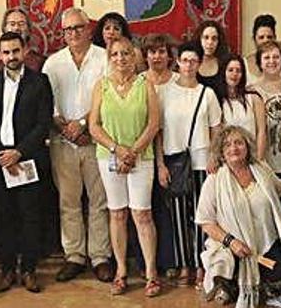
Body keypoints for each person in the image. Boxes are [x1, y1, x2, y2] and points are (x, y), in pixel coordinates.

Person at [0, 31, 54, 293]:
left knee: (30, 216)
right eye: (6, 52)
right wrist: (1, 154)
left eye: (15, 51)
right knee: (3, 216)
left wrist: (18, 153)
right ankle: (7, 269)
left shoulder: (39, 82)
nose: (11, 56)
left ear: (24, 51)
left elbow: (43, 124)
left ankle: (29, 270)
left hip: (27, 159)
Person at [196, 126, 281, 308]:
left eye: (239, 143)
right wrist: (231, 242)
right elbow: (205, 222)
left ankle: (261, 287)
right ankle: (234, 286)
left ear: (247, 146)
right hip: (233, 247)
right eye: (228, 145)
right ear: (222, 153)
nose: (234, 148)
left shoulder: (261, 169)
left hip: (266, 243)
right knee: (227, 268)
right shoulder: (214, 180)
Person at [42, 8, 113, 283]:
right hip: (62, 141)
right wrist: (66, 127)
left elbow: (109, 97)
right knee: (68, 202)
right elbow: (47, 103)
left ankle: (100, 257)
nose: (73, 33)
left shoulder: (104, 58)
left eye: (78, 28)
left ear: (89, 29)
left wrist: (84, 125)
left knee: (99, 201)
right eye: (68, 30)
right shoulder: (53, 63)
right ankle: (74, 255)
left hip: (97, 140)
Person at [89, 37, 161, 296]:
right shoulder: (101, 86)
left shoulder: (146, 84)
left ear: (135, 56)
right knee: (117, 213)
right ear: (110, 58)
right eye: (116, 54)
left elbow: (154, 124)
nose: (121, 59)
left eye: (126, 54)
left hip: (141, 157)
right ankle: (121, 271)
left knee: (142, 215)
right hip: (108, 157)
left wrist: (132, 152)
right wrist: (117, 149)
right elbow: (94, 125)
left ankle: (151, 273)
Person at [155, 41, 221, 286]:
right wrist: (160, 164)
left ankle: (201, 263)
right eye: (185, 60)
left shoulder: (208, 94)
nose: (189, 65)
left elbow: (216, 129)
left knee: (202, 215)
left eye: (194, 61)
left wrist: (214, 156)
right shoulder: (165, 92)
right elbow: (158, 131)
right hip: (174, 162)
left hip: (203, 162)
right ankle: (184, 264)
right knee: (179, 216)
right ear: (177, 62)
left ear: (199, 64)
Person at [141, 33, 179, 272]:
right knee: (147, 210)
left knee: (170, 213)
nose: (157, 56)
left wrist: (163, 163)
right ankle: (148, 263)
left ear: (169, 56)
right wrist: (157, 162)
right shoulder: (139, 81)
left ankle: (171, 261)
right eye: (152, 52)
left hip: (174, 154)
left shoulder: (178, 81)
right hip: (144, 155)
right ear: (145, 56)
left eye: (162, 51)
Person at [250, 40, 281, 181]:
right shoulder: (252, 90)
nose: (272, 61)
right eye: (266, 57)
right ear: (260, 62)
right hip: (268, 164)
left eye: (276, 57)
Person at [0, 8, 46, 87]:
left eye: (21, 24)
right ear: (4, 28)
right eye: (12, 24)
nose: (17, 28)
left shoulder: (40, 62)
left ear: (29, 29)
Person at [216, 54, 267, 159]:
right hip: (228, 159)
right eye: (230, 70)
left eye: (238, 71)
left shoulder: (254, 98)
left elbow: (262, 131)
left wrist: (259, 159)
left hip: (252, 157)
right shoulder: (217, 101)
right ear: (223, 72)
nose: (234, 74)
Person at [244, 14, 281, 82]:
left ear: (275, 38)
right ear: (254, 39)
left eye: (269, 37)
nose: (265, 41)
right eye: (261, 37)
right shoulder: (244, 64)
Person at [194, 20, 231, 92]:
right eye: (206, 37)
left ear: (219, 42)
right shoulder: (191, 63)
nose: (210, 42)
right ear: (199, 39)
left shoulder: (225, 64)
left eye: (214, 38)